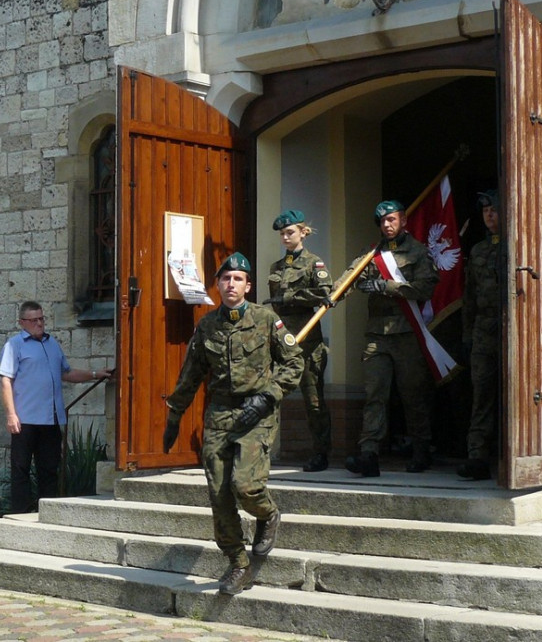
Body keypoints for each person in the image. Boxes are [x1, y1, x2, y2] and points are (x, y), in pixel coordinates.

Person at [162, 253, 303, 596]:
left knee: (246, 486)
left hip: (258, 414)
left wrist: (268, 396)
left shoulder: (267, 319)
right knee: (220, 492)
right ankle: (238, 563)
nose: (231, 285)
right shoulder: (207, 326)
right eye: (225, 279)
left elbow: (294, 363)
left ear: (248, 285)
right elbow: (191, 374)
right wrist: (175, 415)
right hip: (221, 415)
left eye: (238, 279)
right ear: (218, 285)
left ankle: (267, 515)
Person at [336, 200, 439, 478]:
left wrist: (388, 286)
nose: (387, 225)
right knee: (374, 394)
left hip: (407, 333)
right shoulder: (372, 254)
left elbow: (426, 288)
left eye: (392, 220)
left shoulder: (418, 252)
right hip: (376, 336)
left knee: (412, 395)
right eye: (382, 221)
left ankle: (422, 449)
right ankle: (369, 454)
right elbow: (349, 277)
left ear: (404, 220)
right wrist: (333, 294)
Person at [0, 301, 113, 513]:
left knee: (49, 470)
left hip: (50, 420)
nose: (40, 324)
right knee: (20, 470)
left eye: (42, 319)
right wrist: (11, 414)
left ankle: (48, 514)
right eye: (34, 320)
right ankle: (19, 515)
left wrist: (96, 374)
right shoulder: (14, 346)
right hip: (24, 420)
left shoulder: (52, 345)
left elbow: (67, 373)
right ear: (22, 322)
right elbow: (6, 380)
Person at [264, 210, 334, 472]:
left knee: (313, 399)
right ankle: (262, 451)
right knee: (270, 394)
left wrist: (292, 297)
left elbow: (325, 296)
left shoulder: (314, 263)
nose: (285, 237)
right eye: (282, 234)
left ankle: (320, 452)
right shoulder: (276, 267)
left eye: (289, 232)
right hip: (282, 339)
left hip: (307, 340)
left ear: (303, 232)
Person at [458, 190, 502, 480]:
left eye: (494, 209)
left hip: (512, 329)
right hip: (483, 331)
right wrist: (467, 335)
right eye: (485, 210)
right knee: (482, 395)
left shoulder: (517, 246)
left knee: (515, 394)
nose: (489, 214)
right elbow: (469, 296)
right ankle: (477, 456)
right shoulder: (477, 251)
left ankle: (509, 454)